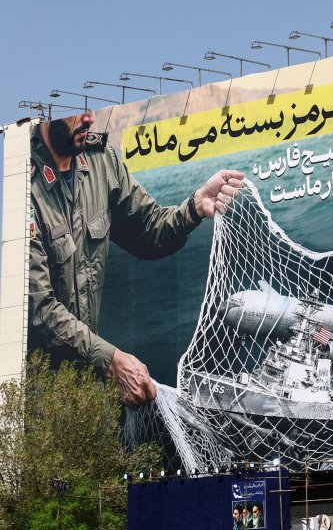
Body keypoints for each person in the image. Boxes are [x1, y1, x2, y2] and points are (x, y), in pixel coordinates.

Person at [27, 111, 244, 406]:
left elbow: (148, 231)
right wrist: (113, 361)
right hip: (34, 396)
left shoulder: (101, 161)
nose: (90, 118)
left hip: (89, 384)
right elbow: (38, 309)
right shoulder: (21, 186)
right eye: (78, 109)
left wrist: (194, 208)